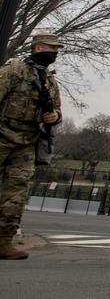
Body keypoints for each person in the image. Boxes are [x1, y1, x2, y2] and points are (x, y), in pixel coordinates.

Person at [0, 34, 63, 261]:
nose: (55, 53)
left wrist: (54, 117)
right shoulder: (14, 71)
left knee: (16, 194)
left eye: (57, 50)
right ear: (37, 47)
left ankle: (3, 241)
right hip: (2, 135)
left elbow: (57, 110)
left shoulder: (49, 80)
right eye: (51, 48)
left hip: (27, 141)